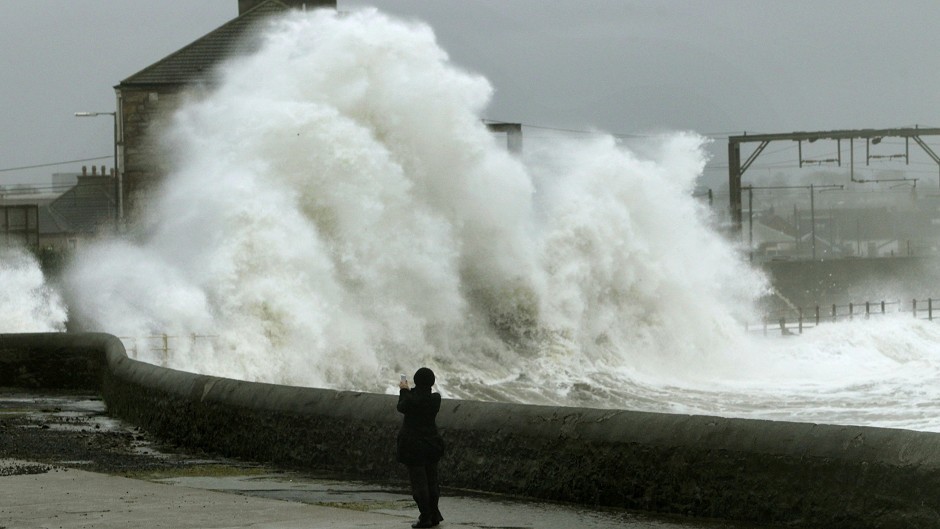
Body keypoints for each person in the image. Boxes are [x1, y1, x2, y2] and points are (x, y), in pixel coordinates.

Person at [397, 367, 445, 528]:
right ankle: (435, 514)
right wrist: (410, 392)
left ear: (416, 381)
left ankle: (425, 517)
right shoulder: (435, 399)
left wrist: (403, 390)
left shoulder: (410, 399)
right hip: (432, 443)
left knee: (419, 484)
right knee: (432, 481)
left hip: (413, 446)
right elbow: (421, 399)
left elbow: (402, 406)